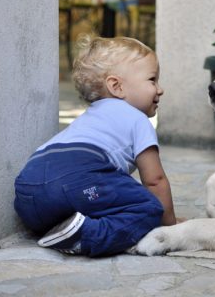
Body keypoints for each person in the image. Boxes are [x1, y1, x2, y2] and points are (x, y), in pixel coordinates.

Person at [14, 35, 177, 257]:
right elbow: (154, 180)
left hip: (28, 189)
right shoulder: (138, 119)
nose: (160, 89)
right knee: (148, 208)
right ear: (116, 87)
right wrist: (169, 226)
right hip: (78, 175)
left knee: (103, 195)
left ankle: (65, 227)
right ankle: (87, 236)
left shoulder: (89, 117)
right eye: (152, 80)